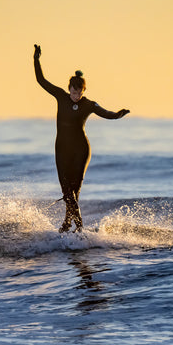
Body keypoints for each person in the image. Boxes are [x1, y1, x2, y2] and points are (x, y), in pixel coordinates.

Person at [33, 44, 130, 233]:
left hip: (81, 151)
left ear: (83, 91)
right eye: (74, 91)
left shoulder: (88, 104)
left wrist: (118, 114)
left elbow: (106, 113)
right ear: (69, 88)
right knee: (67, 192)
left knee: (74, 193)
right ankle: (73, 227)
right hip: (62, 149)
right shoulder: (61, 96)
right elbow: (41, 80)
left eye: (80, 92)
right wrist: (36, 59)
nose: (76, 96)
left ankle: (75, 228)